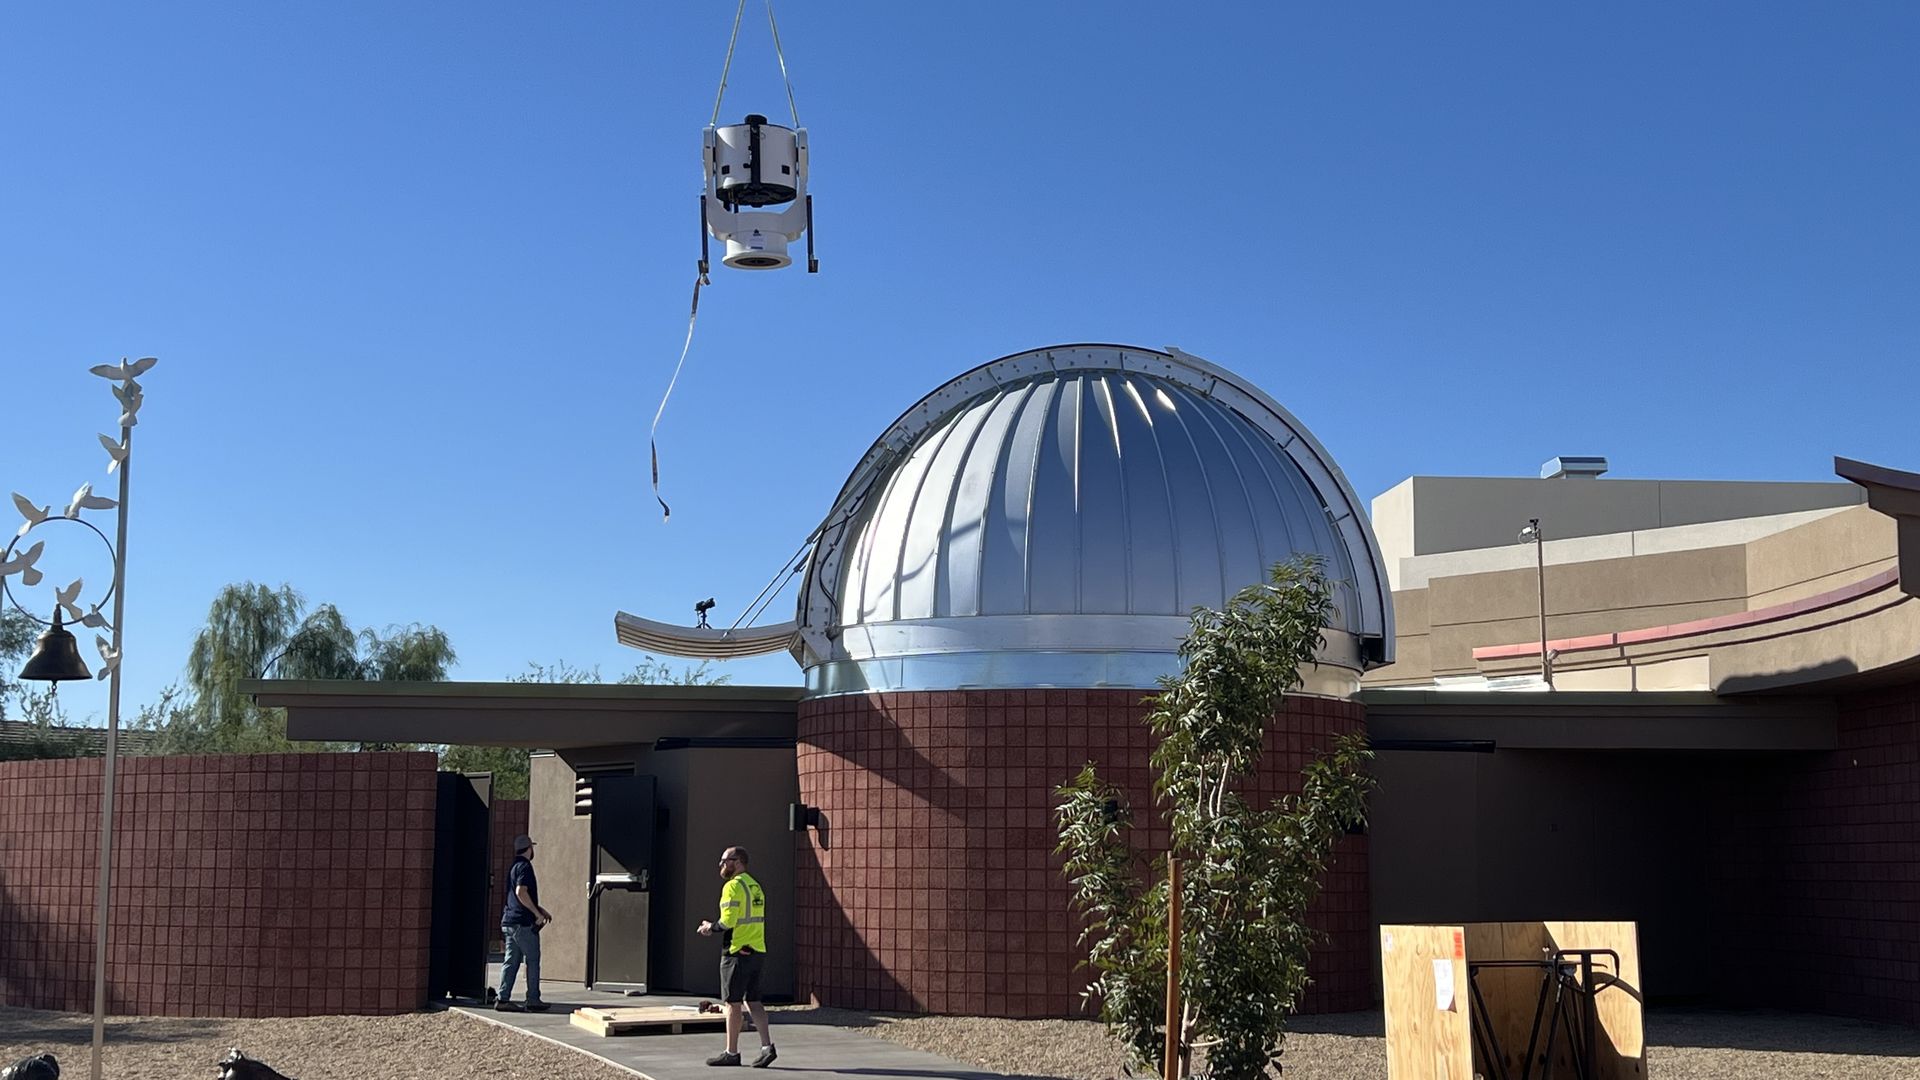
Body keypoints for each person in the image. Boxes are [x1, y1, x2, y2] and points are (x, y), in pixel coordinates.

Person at [697, 846, 775, 1067]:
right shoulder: (755, 886)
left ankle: (731, 1052)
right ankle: (767, 1047)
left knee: (732, 1003)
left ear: (738, 861)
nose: (721, 864)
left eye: (725, 860)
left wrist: (709, 927)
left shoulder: (732, 887)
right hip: (757, 949)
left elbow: (728, 921)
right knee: (754, 1001)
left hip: (737, 951)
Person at [496, 833, 552, 1013]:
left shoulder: (513, 866)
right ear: (529, 848)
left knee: (511, 961)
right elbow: (521, 892)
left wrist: (538, 908)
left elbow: (517, 896)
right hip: (522, 923)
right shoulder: (525, 867)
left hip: (510, 921)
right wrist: (537, 913)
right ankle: (533, 999)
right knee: (533, 959)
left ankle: (503, 999)